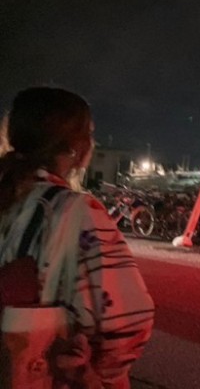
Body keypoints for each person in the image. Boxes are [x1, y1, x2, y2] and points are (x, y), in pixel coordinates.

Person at [0, 87, 154, 388]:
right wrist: (98, 374)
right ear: (77, 148)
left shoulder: (11, 198)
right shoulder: (77, 212)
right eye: (90, 133)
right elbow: (128, 322)